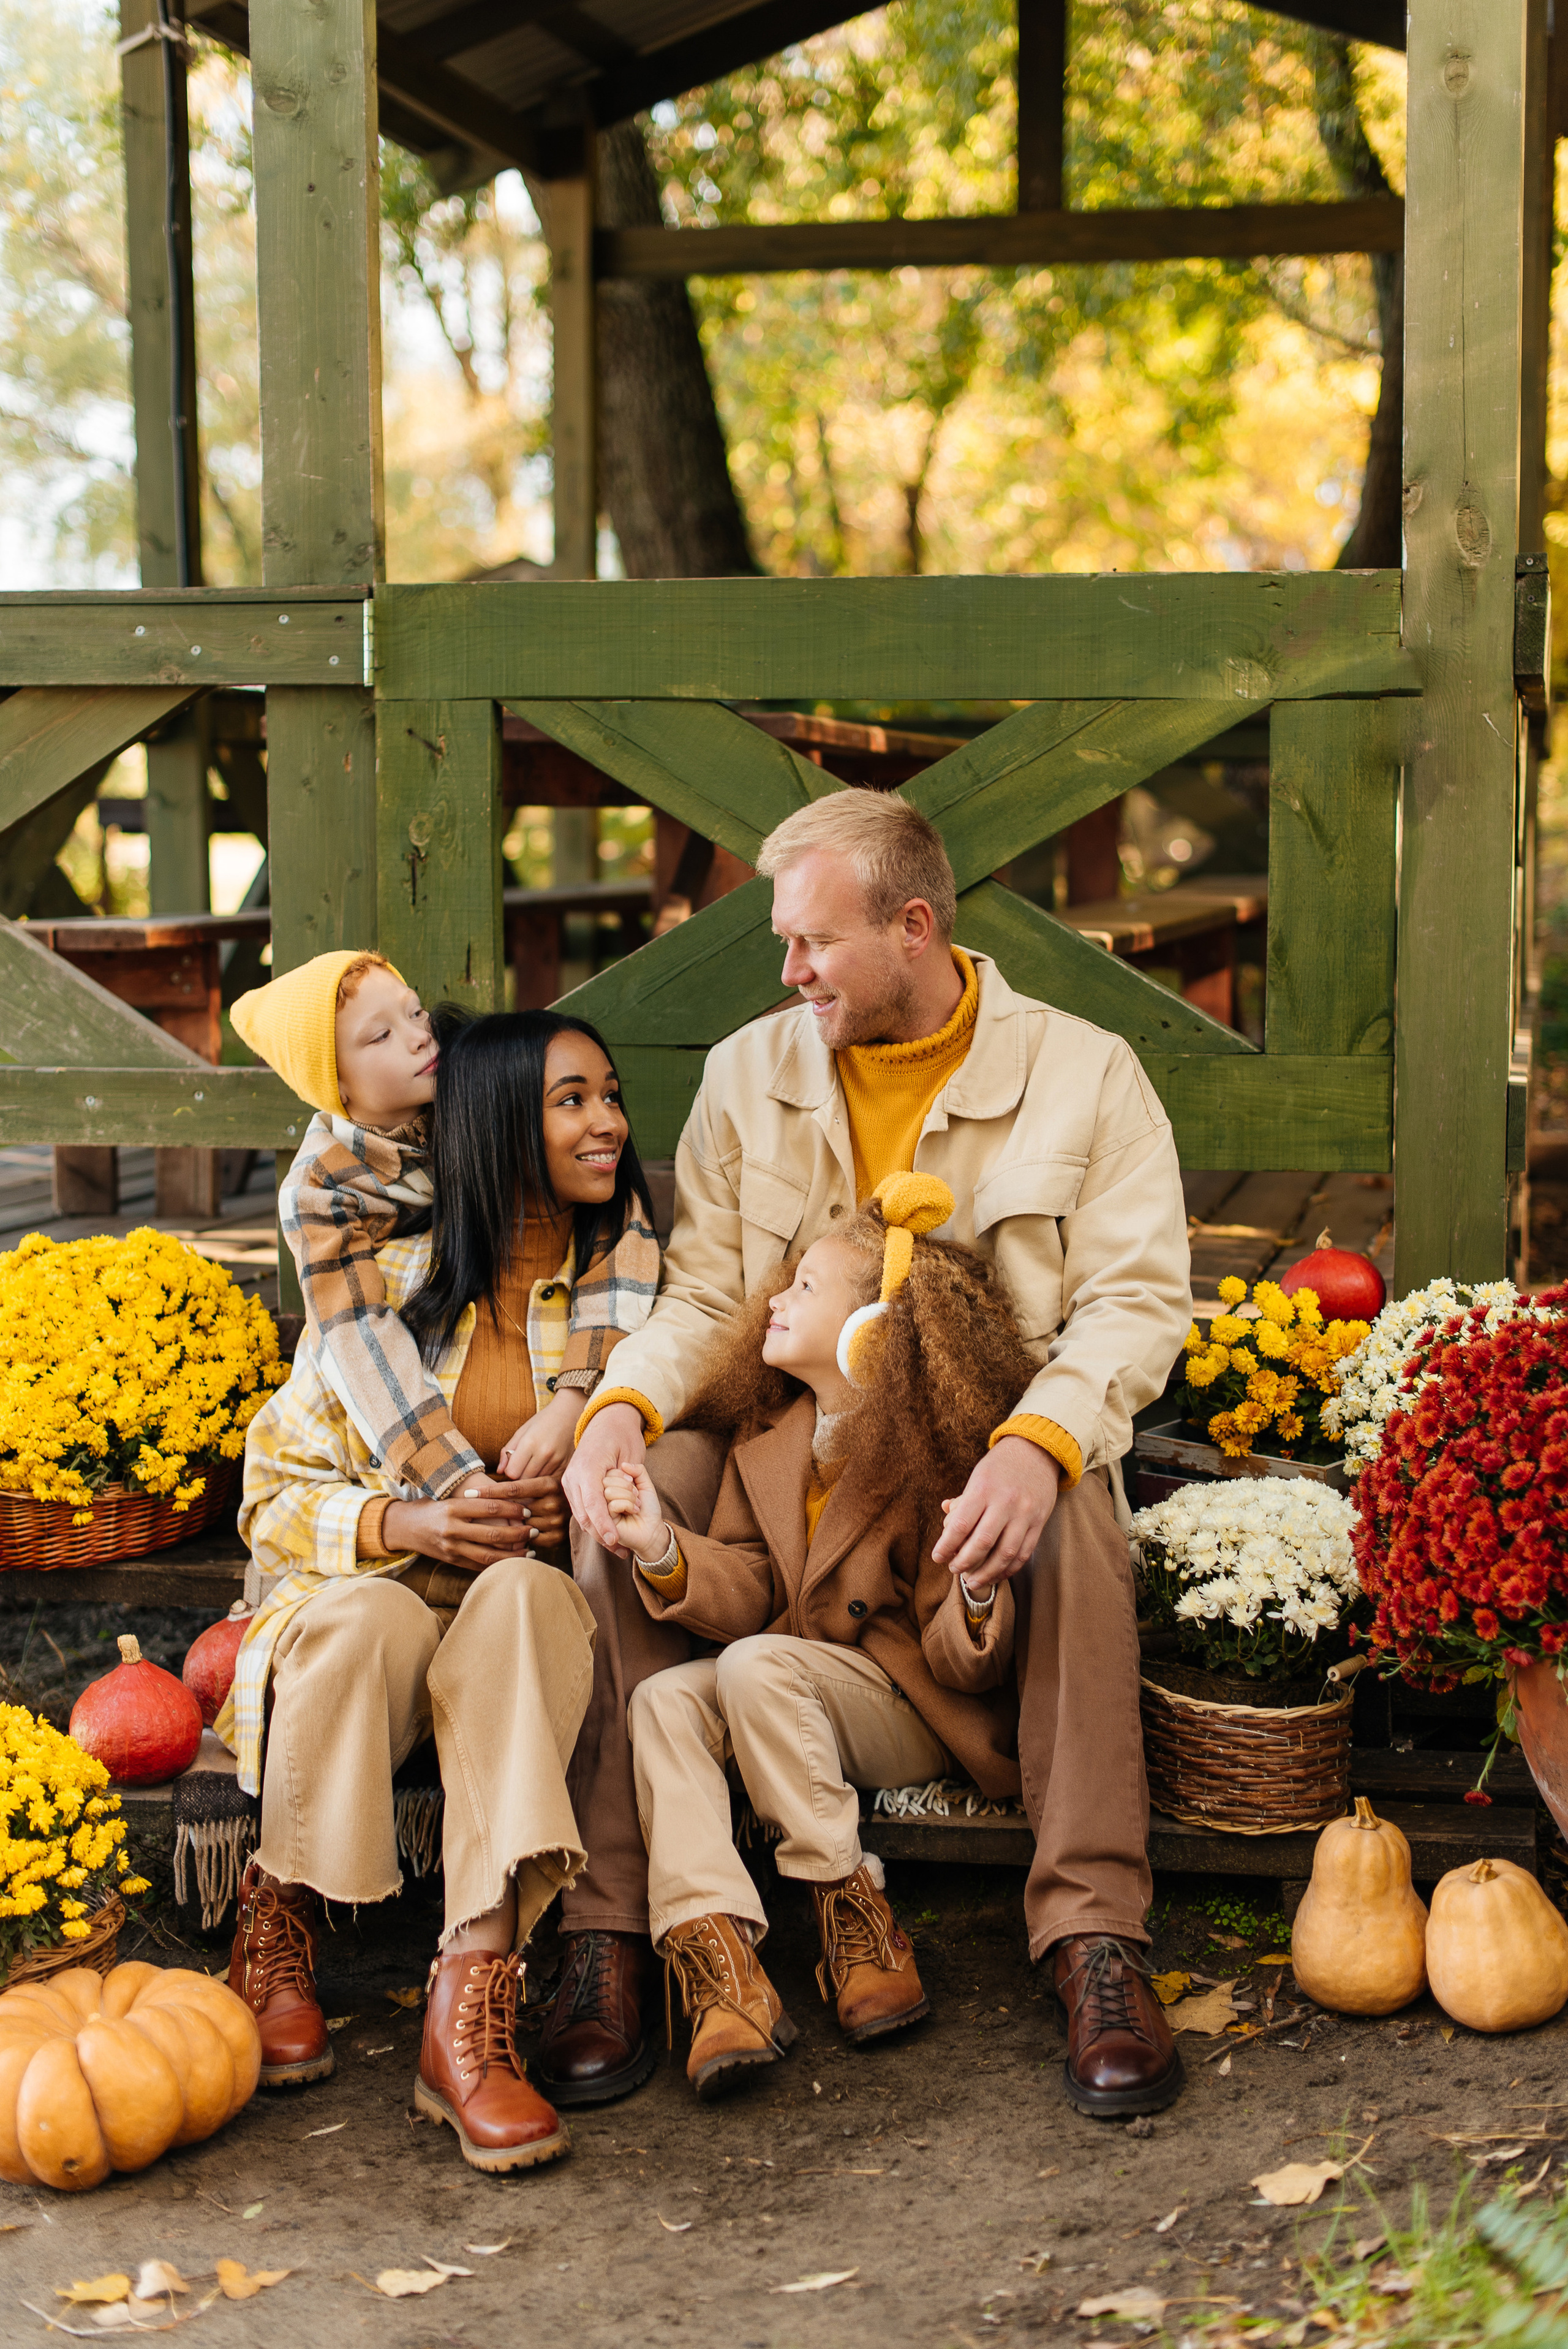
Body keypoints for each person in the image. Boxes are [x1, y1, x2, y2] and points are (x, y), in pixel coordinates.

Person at [549, 789, 1193, 2120]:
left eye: (810, 945)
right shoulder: (749, 1074)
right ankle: (613, 1924)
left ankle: (1091, 1930)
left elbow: (1134, 1303)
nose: (787, 975)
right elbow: (712, 1302)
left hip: (975, 1440)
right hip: (797, 1434)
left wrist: (1034, 1439)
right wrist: (617, 1410)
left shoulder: (1082, 1074)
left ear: (911, 927)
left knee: (1069, 1493)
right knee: (626, 1496)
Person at [218, 1010, 660, 2172]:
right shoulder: (390, 1287)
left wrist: (582, 1499)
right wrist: (401, 1519)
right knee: (363, 1612)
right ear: (501, 1117)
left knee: (517, 1592)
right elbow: (267, 1494)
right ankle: (282, 1914)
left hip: (521, 1642)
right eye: (571, 1099)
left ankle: (469, 2003)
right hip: (382, 1620)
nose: (607, 1119)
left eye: (609, 1094)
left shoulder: (631, 1299)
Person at [605, 1175, 1025, 2100]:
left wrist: (982, 1591)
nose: (776, 1296)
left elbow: (958, 1658)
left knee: (755, 1667)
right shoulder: (771, 1434)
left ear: (874, 1327)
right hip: (785, 1693)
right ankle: (718, 1959)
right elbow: (752, 1584)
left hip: (905, 1707)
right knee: (663, 1699)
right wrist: (663, 1547)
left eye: (805, 1286)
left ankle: (850, 1908)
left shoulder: (934, 1447)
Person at [232, 953, 659, 1510]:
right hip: (396, 1317)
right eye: (381, 1035)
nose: (417, 1039)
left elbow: (621, 1237)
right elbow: (358, 1335)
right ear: (336, 1084)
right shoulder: (319, 1189)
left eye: (416, 1012)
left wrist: (573, 1399)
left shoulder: (454, 1079)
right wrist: (449, 1475)